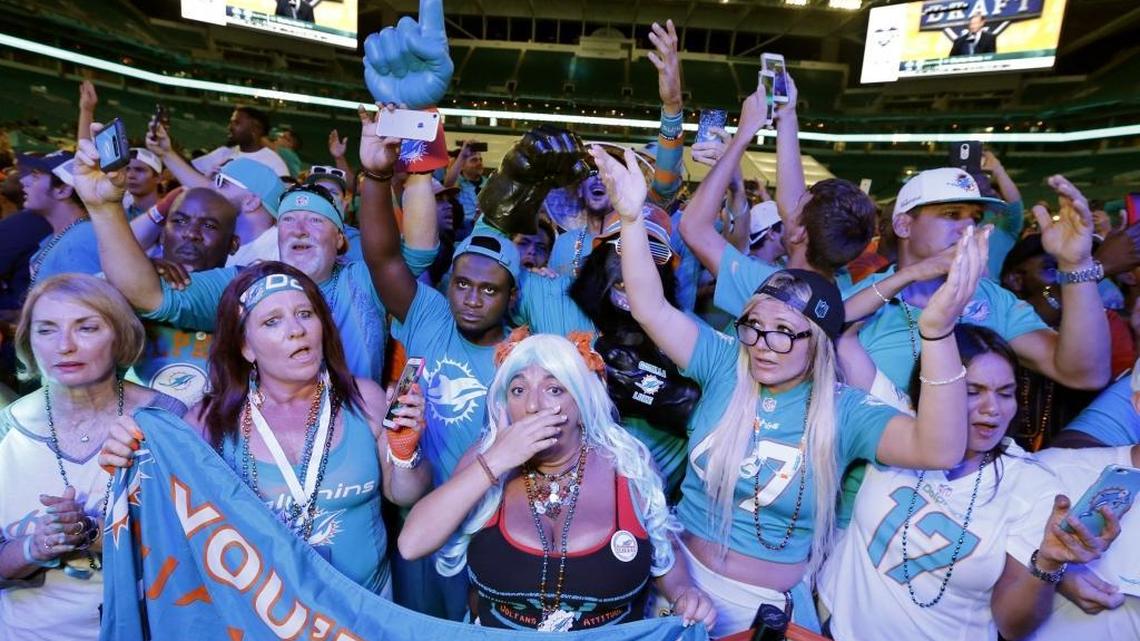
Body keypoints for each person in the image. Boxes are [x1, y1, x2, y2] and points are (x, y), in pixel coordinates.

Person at [602, 142, 985, 636]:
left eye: (783, 331)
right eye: (753, 326)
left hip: (764, 612)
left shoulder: (844, 412)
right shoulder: (726, 363)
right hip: (675, 589)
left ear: (819, 343)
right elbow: (651, 307)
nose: (762, 344)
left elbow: (940, 447)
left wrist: (938, 332)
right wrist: (632, 218)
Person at [99, 262, 431, 597]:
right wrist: (132, 460)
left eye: (305, 313)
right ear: (245, 347)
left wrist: (404, 451)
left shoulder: (365, 399)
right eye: (272, 321)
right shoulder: (206, 424)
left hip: (366, 608)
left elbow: (404, 494)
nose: (296, 329)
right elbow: (166, 527)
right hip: (263, 616)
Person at [398, 332, 716, 631]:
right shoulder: (484, 461)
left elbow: (665, 557)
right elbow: (411, 544)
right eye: (518, 390)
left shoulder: (629, 464)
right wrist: (497, 460)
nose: (534, 405)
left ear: (581, 404)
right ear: (505, 406)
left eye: (554, 389)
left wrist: (685, 593)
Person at [819, 325, 1119, 641]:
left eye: (1005, 393)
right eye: (972, 392)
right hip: (829, 626)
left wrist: (1048, 563)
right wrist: (915, 283)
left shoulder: (1032, 485)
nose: (992, 409)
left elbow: (1013, 627)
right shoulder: (899, 423)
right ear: (936, 390)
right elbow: (838, 332)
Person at [0, 275, 186, 641]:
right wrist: (34, 548)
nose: (65, 346)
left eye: (86, 328)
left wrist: (94, 532)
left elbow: (202, 545)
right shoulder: (7, 428)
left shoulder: (169, 418)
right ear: (28, 342)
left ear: (120, 336)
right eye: (47, 330)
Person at [125, 187, 240, 407]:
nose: (191, 233)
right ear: (161, 235)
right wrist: (141, 272)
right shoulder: (124, 285)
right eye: (179, 221)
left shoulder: (242, 288)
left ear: (233, 244)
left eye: (209, 225)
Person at [18, 151, 100, 283]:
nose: (23, 182)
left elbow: (84, 300)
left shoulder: (81, 238)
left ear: (63, 190)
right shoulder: (67, 235)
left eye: (35, 177)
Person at [192, 106, 289, 178]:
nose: (230, 127)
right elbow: (188, 171)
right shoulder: (223, 153)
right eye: (231, 123)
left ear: (255, 129)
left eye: (236, 123)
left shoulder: (273, 162)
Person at [123, 148, 162, 219]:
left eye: (139, 170)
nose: (130, 175)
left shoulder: (169, 214)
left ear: (158, 178)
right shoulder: (120, 216)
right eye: (127, 169)